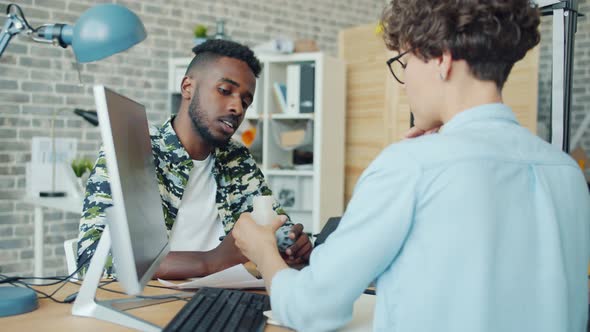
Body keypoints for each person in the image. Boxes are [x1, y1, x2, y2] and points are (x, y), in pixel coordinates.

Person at [232, 1, 590, 331]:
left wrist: (263, 251)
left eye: (405, 62)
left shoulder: (412, 166)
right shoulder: (567, 172)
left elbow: (312, 306)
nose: (404, 85)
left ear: (442, 59)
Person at [77, 40, 312, 279]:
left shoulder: (236, 158)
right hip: (154, 301)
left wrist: (291, 243)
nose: (237, 107)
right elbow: (94, 258)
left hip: (225, 296)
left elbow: (275, 225)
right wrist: (211, 261)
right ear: (188, 87)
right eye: (224, 90)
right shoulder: (134, 147)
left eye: (245, 101)